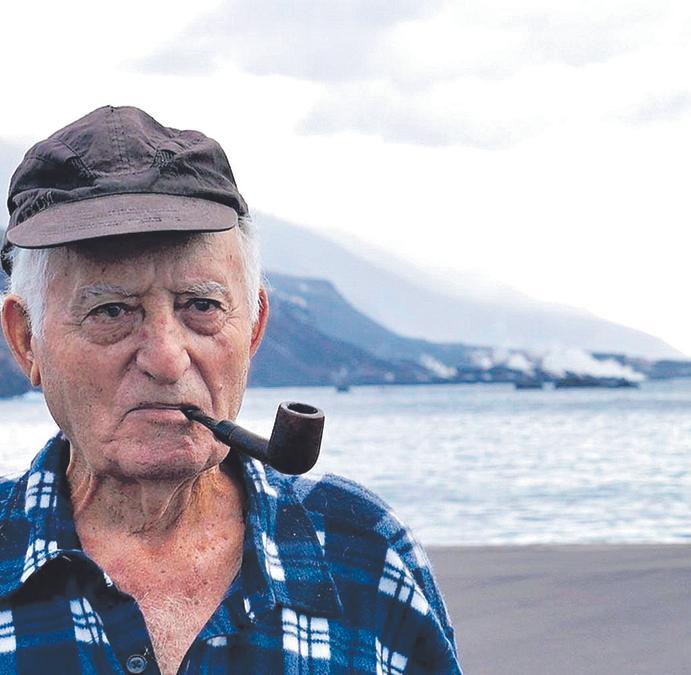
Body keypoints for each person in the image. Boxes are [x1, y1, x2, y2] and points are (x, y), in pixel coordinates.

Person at [0, 106, 462, 674]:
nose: (167, 360)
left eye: (201, 306)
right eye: (112, 310)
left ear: (253, 328)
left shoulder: (363, 554)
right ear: (28, 342)